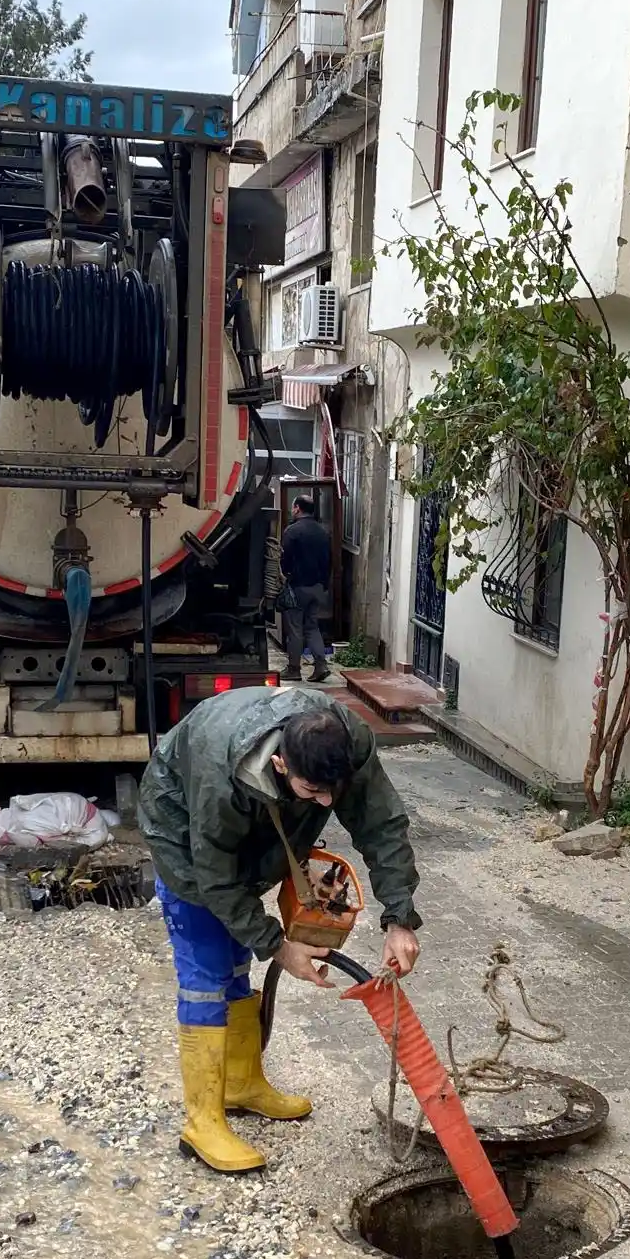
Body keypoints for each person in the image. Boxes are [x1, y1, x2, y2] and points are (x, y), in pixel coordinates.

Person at [138, 685, 422, 1174]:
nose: (329, 801)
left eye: (334, 790)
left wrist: (399, 917)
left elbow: (382, 825)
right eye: (316, 793)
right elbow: (216, 877)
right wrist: (278, 945)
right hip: (185, 838)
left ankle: (242, 1085)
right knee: (207, 971)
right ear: (282, 765)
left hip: (244, 831)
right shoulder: (220, 775)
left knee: (236, 962)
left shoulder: (343, 742)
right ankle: (202, 1121)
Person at [280, 495, 331, 683]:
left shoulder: (292, 531)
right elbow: (329, 561)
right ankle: (321, 665)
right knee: (312, 626)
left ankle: (294, 668)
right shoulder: (323, 531)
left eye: (293, 507)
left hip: (298, 587)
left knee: (294, 628)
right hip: (318, 587)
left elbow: (285, 560)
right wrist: (324, 584)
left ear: (297, 508)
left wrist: (286, 577)